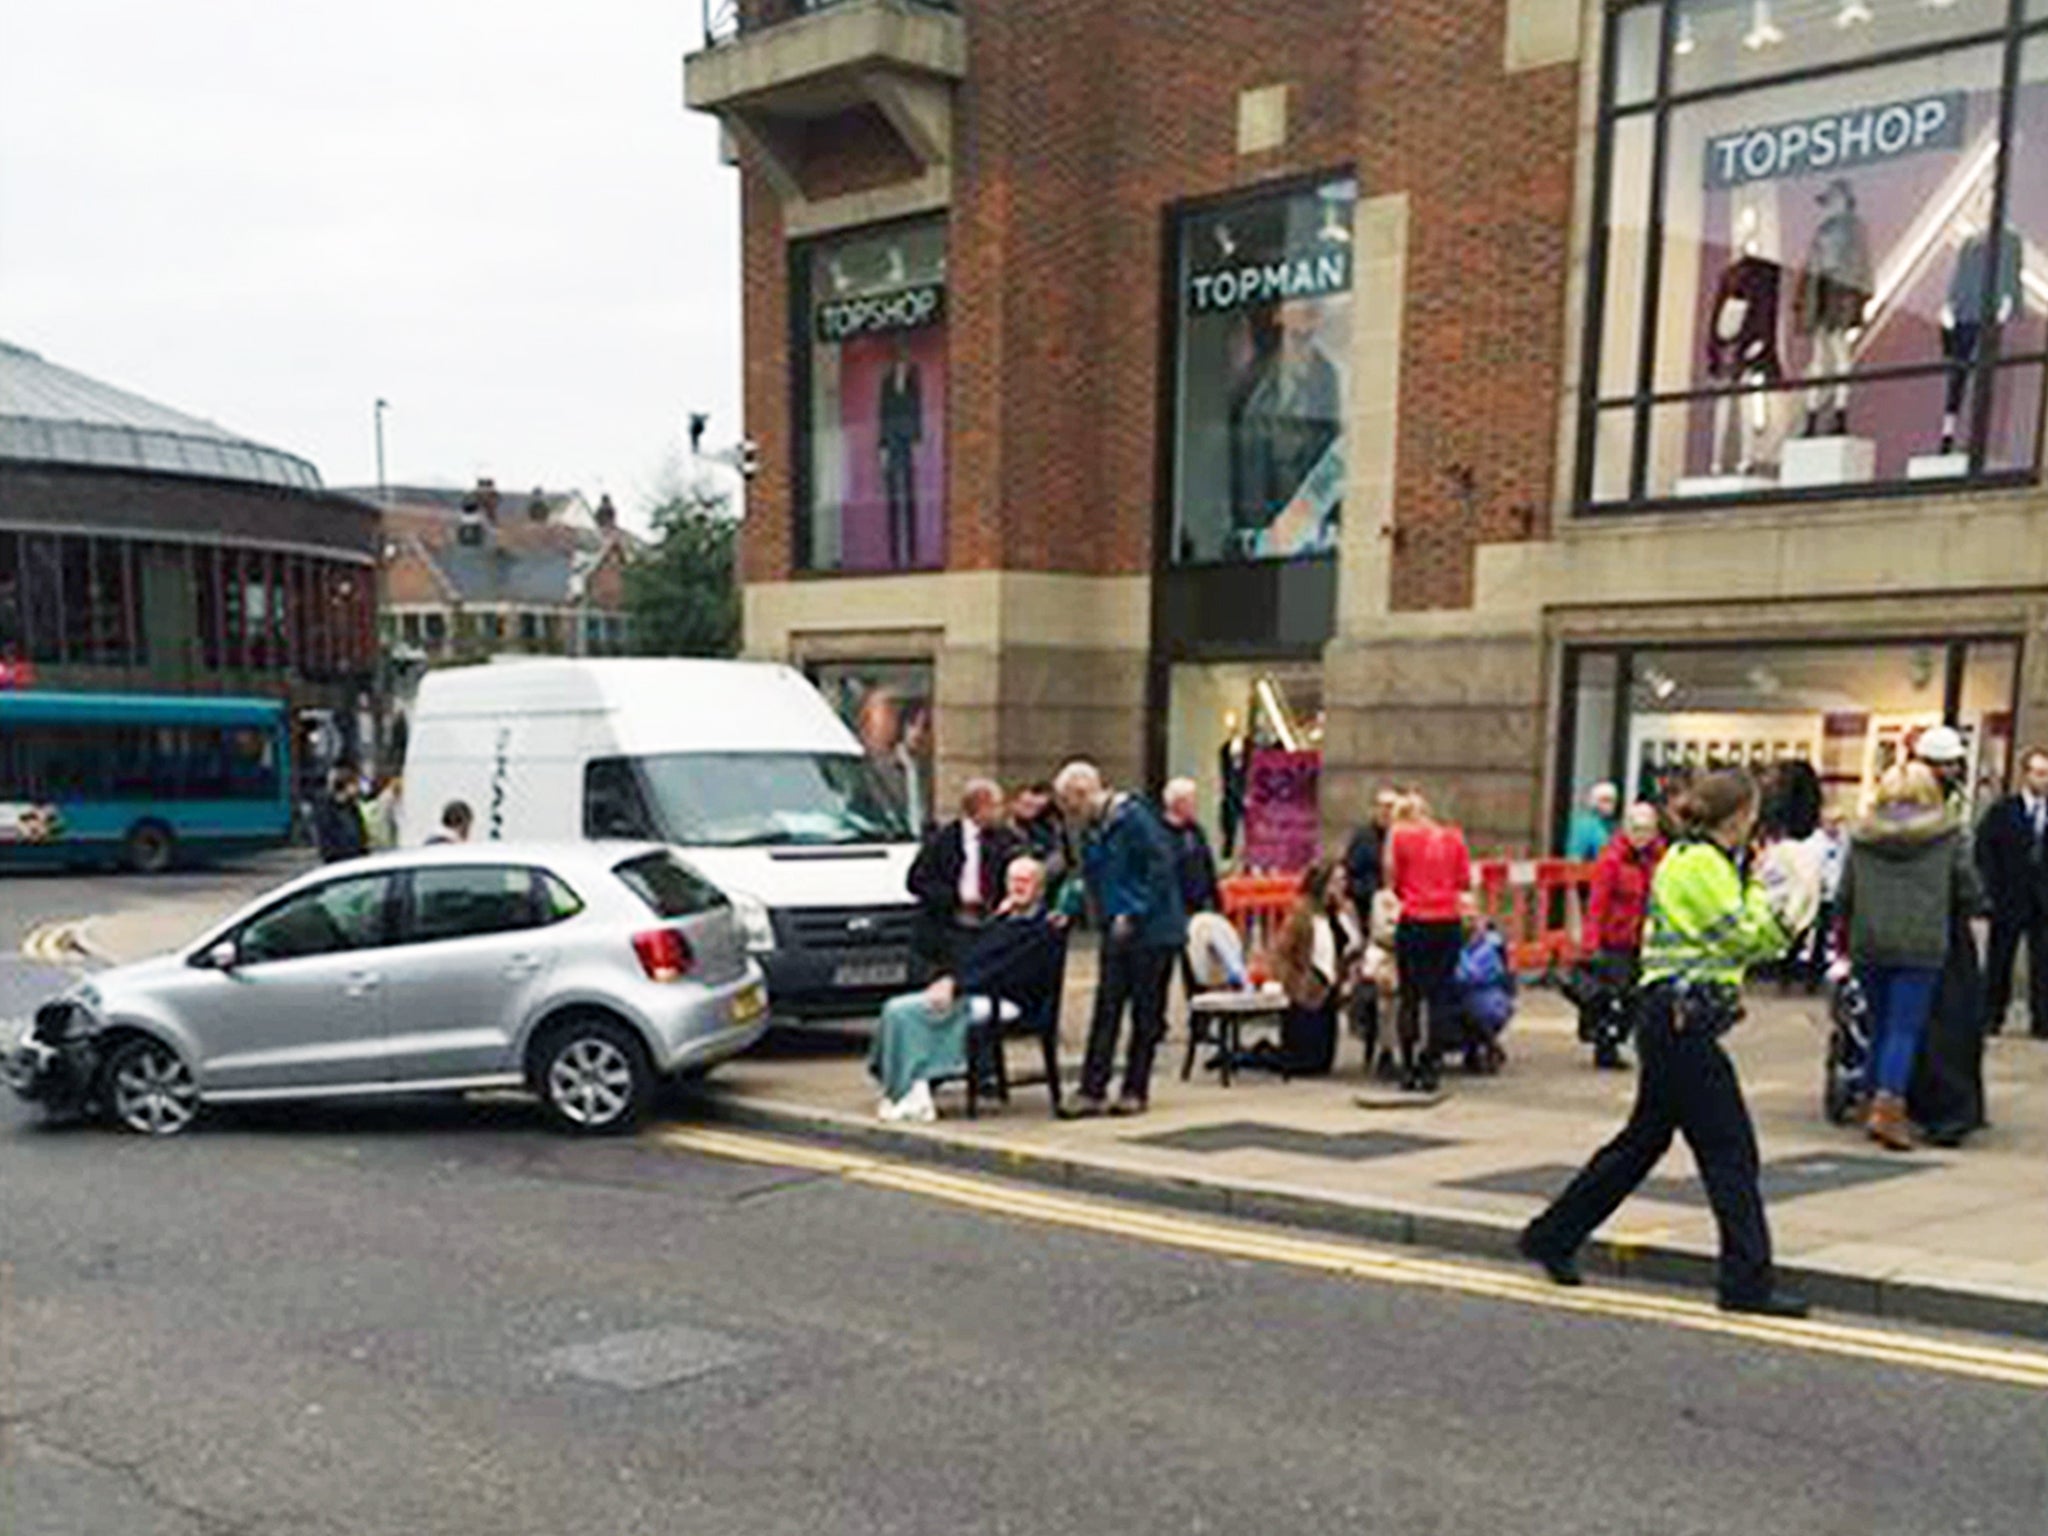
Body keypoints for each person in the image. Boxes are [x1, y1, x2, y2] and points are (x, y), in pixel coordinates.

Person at [1519, 769, 1817, 1319]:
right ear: (1735, 816)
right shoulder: (1702, 865)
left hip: (1670, 1020)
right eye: (1751, 811)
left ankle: (1553, 1234)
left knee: (1641, 1144)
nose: (1756, 820)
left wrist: (1752, 882)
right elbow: (1742, 936)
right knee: (1732, 1152)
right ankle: (1746, 1284)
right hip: (1683, 1023)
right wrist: (1787, 921)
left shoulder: (1694, 859)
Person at [1839, 762, 1980, 1152]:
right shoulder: (1948, 834)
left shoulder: (1862, 834)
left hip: (1869, 940)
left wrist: (1845, 931)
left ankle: (1869, 1097)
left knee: (1879, 1024)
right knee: (1905, 1029)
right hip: (1921, 940)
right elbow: (1966, 886)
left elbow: (1845, 891)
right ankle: (1889, 1107)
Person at [868, 857, 1066, 1122]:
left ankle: (915, 1088)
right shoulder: (1004, 920)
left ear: (1040, 889)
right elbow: (971, 954)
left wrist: (957, 985)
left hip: (1007, 999)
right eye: (1013, 880)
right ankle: (902, 1087)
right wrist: (996, 921)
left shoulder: (1043, 927)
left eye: (1026, 881)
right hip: (975, 989)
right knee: (894, 1009)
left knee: (910, 1014)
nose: (1018, 886)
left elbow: (1006, 969)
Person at [1055, 760, 1188, 1117]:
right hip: (1115, 929)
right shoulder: (1096, 829)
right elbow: (1090, 876)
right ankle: (1091, 1089)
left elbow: (1160, 868)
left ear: (1084, 794)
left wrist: (1134, 910)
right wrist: (1070, 906)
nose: (1070, 814)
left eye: (1070, 805)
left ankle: (1135, 1089)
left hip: (1153, 932)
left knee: (1146, 1013)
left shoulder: (1134, 819)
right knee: (1107, 1008)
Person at [1908, 725, 1993, 1145]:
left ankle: (1914, 1099)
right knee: (1952, 1018)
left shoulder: (1891, 810)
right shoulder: (1944, 823)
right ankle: (1953, 1107)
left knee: (1915, 1020)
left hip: (1906, 925)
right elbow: (1964, 880)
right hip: (1943, 926)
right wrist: (1978, 899)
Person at [1385, 792, 1473, 1094]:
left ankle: (1407, 1066)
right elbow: (1463, 881)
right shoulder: (1454, 838)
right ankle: (1431, 1064)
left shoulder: (1400, 840)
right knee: (1440, 997)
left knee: (1409, 997)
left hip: (1414, 920)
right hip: (1446, 921)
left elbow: (1394, 882)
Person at [907, 779, 1021, 983]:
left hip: (990, 921)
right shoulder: (943, 839)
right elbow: (917, 882)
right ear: (981, 806)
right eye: (996, 805)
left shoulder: (1004, 838)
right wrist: (957, 898)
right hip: (950, 925)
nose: (1001, 812)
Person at [1579, 801, 1665, 1070]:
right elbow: (1597, 903)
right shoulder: (1611, 859)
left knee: (1637, 998)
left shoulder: (1657, 858)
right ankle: (1606, 1047)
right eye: (1637, 829)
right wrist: (1591, 942)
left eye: (1647, 830)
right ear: (1626, 829)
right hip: (1615, 939)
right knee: (1614, 995)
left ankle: (1621, 1040)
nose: (1642, 836)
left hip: (1644, 938)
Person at [1975, 745, 2048, 1040]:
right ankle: (1992, 1014)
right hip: (2009, 896)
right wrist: (1991, 889)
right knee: (2000, 959)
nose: (2043, 780)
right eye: (2038, 773)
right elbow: (1985, 850)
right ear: (2025, 774)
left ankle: (2042, 1019)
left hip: (2043, 900)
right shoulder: (2004, 811)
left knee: (2043, 963)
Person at [1269, 860, 1362, 1077]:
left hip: (1331, 988)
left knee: (1322, 1064)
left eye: (1344, 880)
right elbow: (1282, 952)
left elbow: (1354, 943)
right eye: (1337, 881)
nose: (1343, 886)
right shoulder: (1303, 912)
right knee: (1303, 1064)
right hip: (1306, 987)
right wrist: (1292, 983)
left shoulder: (1345, 911)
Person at [1453, 915, 1514, 1074]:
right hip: (1470, 997)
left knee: (1475, 1011)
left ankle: (1487, 1046)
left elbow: (1468, 975)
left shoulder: (1488, 950)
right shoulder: (1467, 947)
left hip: (1486, 998)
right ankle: (1481, 1047)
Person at [1160, 777, 1222, 917]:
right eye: (1192, 800)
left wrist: (1216, 901)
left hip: (1199, 906)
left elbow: (1207, 866)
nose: (1196, 805)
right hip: (1174, 909)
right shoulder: (1159, 833)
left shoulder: (1196, 832)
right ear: (1179, 803)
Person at [1010, 780, 1069, 892]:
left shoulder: (1042, 831)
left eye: (1033, 806)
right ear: (1014, 804)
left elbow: (1058, 857)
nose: (1030, 811)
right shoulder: (1005, 832)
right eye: (1026, 805)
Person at [311, 765, 368, 864]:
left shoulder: (352, 808)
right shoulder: (327, 809)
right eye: (355, 784)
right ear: (346, 785)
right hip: (338, 860)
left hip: (355, 858)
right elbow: (326, 837)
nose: (358, 788)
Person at [1566, 782, 1621, 863]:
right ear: (1594, 801)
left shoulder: (1613, 826)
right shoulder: (1585, 824)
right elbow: (1575, 858)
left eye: (1613, 800)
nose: (1610, 804)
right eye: (1605, 800)